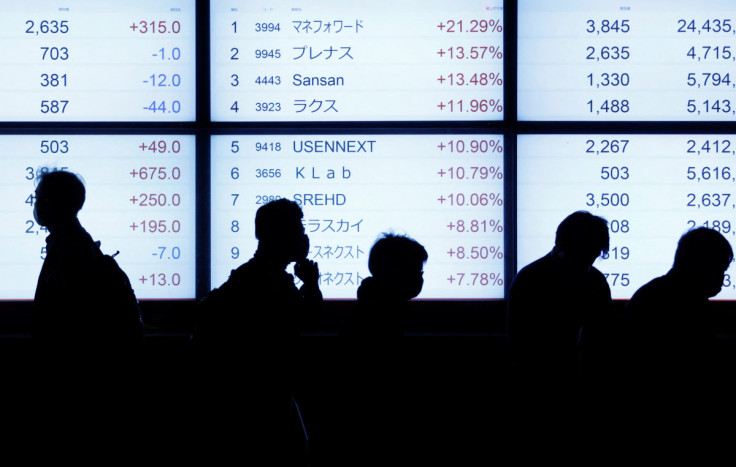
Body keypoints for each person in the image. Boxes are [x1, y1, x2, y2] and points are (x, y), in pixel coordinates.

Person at [190, 198, 322, 465]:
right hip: (267, 406)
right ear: (280, 236)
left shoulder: (248, 277)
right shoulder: (272, 283)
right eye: (297, 229)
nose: (303, 237)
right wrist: (311, 284)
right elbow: (310, 319)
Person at [31, 169, 143, 459]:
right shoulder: (79, 248)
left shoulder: (70, 254)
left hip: (75, 389)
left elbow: (72, 328)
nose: (36, 204)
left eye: (41, 197)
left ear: (55, 203)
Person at [337, 233, 428, 466]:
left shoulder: (368, 309)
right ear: (397, 272)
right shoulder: (383, 317)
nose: (420, 279)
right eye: (416, 272)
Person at [507, 211, 614, 380]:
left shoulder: (528, 279)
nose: (588, 264)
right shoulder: (596, 282)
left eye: (592, 256)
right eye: (586, 256)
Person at [623, 227, 733, 382]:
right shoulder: (688, 306)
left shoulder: (655, 293)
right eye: (720, 270)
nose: (722, 279)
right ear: (701, 266)